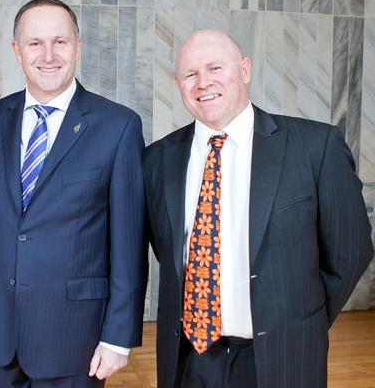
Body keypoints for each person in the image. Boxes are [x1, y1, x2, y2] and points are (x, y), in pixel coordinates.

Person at [143, 29, 374, 388]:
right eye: (190, 74)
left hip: (284, 357)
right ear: (177, 82)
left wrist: (300, 319)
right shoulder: (157, 159)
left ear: (245, 69)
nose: (203, 83)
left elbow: (351, 249)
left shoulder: (315, 146)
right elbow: (167, 249)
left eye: (215, 68)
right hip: (190, 360)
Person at [0, 0, 148, 387]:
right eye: (35, 43)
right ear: (17, 51)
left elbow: (129, 243)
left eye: (60, 42)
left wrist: (118, 335)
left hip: (73, 335)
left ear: (78, 47)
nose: (48, 55)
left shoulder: (118, 126)